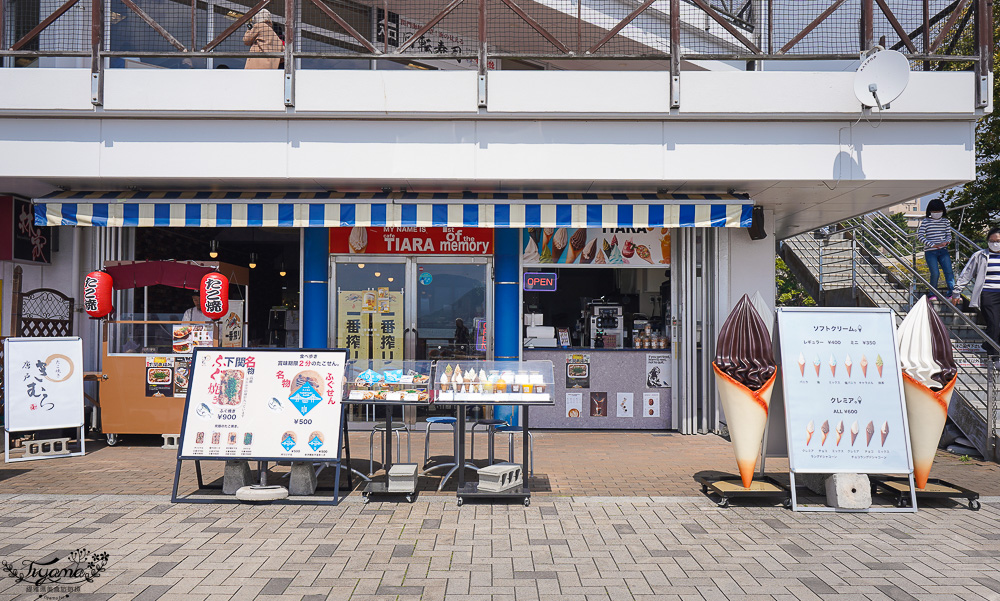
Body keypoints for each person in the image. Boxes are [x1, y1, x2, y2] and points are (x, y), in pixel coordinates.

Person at [952, 226, 1000, 357]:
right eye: (992, 240)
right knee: (994, 323)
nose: (995, 243)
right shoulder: (980, 256)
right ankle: (994, 356)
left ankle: (987, 344)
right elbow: (966, 274)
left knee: (996, 326)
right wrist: (957, 291)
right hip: (988, 294)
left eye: (998, 241)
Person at [915, 198, 954, 300]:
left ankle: (951, 293)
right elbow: (920, 236)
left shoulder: (945, 221)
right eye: (934, 211)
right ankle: (932, 293)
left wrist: (946, 241)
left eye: (939, 211)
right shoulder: (926, 221)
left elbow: (949, 235)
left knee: (949, 271)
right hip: (930, 251)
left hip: (943, 250)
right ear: (930, 211)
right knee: (935, 273)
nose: (937, 213)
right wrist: (932, 245)